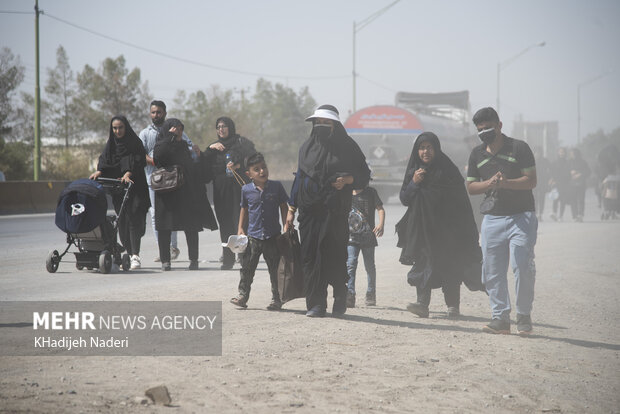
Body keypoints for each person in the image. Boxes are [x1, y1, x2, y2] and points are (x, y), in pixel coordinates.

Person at [286, 104, 371, 317]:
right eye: (319, 123)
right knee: (311, 257)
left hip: (334, 213)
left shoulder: (348, 147)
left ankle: (340, 299)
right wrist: (291, 208)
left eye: (326, 123)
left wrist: (348, 180)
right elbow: (300, 178)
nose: (321, 126)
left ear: (335, 125)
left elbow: (364, 175)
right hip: (309, 213)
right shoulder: (306, 148)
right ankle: (316, 304)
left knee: (333, 256)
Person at [466, 107, 537, 335]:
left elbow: (531, 180)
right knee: (492, 271)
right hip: (493, 219)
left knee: (522, 266)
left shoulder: (519, 148)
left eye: (489, 127)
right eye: (480, 129)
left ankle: (523, 316)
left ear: (499, 125)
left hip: (521, 217)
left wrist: (506, 182)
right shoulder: (476, 154)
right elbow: (471, 187)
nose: (485, 132)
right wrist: (490, 184)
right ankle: (500, 318)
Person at [397, 132, 483, 319]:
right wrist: (414, 183)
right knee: (423, 263)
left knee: (450, 266)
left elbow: (461, 202)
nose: (425, 151)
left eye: (429, 147)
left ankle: (453, 307)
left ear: (436, 149)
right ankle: (422, 305)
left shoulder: (448, 170)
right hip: (422, 230)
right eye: (422, 148)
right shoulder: (414, 171)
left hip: (447, 232)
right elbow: (404, 199)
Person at [153, 118, 218, 271]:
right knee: (164, 227)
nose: (178, 133)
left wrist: (199, 155)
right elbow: (158, 158)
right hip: (167, 192)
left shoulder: (185, 146)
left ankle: (193, 260)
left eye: (180, 130)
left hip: (186, 191)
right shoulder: (161, 144)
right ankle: (165, 261)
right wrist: (170, 138)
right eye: (174, 130)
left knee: (191, 225)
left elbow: (197, 168)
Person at [230, 153, 290, 310]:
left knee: (275, 269)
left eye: (264, 167)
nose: (262, 171)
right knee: (247, 268)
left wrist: (286, 225)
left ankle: (276, 299)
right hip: (253, 237)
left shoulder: (276, 187)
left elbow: (284, 205)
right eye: (257, 169)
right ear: (249, 174)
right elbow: (244, 208)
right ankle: (243, 296)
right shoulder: (246, 190)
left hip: (273, 236)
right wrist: (240, 228)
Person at [139, 100, 197, 263]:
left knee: (173, 215)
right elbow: (139, 153)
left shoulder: (175, 128)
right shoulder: (145, 133)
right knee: (156, 215)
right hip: (154, 180)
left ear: (164, 113)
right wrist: (153, 160)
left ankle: (172, 248)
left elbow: (188, 148)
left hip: (175, 180)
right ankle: (163, 249)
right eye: (153, 112)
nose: (155, 115)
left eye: (158, 112)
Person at [89, 116, 150, 270]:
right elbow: (105, 160)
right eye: (115, 128)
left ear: (126, 127)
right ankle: (129, 253)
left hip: (136, 188)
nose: (117, 131)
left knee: (135, 219)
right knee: (122, 221)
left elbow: (139, 160)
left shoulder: (135, 143)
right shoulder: (111, 145)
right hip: (119, 189)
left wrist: (129, 172)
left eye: (120, 127)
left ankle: (135, 254)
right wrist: (99, 171)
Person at [203, 117, 256, 270]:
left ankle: (243, 256)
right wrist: (209, 149)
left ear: (230, 127)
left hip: (240, 190)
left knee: (240, 223)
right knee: (225, 224)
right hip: (221, 191)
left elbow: (255, 159)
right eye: (218, 127)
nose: (221, 129)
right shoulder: (214, 148)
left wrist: (239, 165)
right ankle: (227, 259)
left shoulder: (241, 143)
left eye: (224, 126)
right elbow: (203, 166)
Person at [346, 184, 385, 308]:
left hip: (368, 235)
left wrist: (381, 224)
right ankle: (350, 294)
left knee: (369, 266)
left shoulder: (371, 192)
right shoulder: (345, 192)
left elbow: (380, 209)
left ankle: (370, 293)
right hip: (351, 237)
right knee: (351, 264)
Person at [568, 148, 590, 222]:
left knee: (581, 200)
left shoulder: (583, 162)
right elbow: (564, 172)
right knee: (572, 200)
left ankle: (580, 215)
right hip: (571, 184)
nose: (572, 155)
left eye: (573, 153)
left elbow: (588, 171)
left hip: (581, 184)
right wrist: (570, 172)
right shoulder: (569, 162)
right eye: (571, 153)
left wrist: (580, 174)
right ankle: (574, 216)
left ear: (577, 154)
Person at [549, 147, 571, 221]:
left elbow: (568, 173)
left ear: (565, 153)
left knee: (563, 200)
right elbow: (551, 172)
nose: (562, 153)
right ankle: (554, 213)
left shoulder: (568, 163)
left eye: (563, 152)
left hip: (565, 183)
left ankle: (561, 216)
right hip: (556, 183)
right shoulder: (554, 162)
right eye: (560, 152)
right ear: (558, 153)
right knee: (555, 198)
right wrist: (551, 179)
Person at [533, 146, 551, 221]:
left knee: (542, 198)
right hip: (534, 182)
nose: (537, 154)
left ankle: (540, 214)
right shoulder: (531, 160)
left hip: (543, 182)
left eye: (539, 152)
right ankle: (535, 213)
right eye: (536, 152)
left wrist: (549, 179)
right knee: (535, 199)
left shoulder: (545, 161)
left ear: (541, 153)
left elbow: (550, 170)